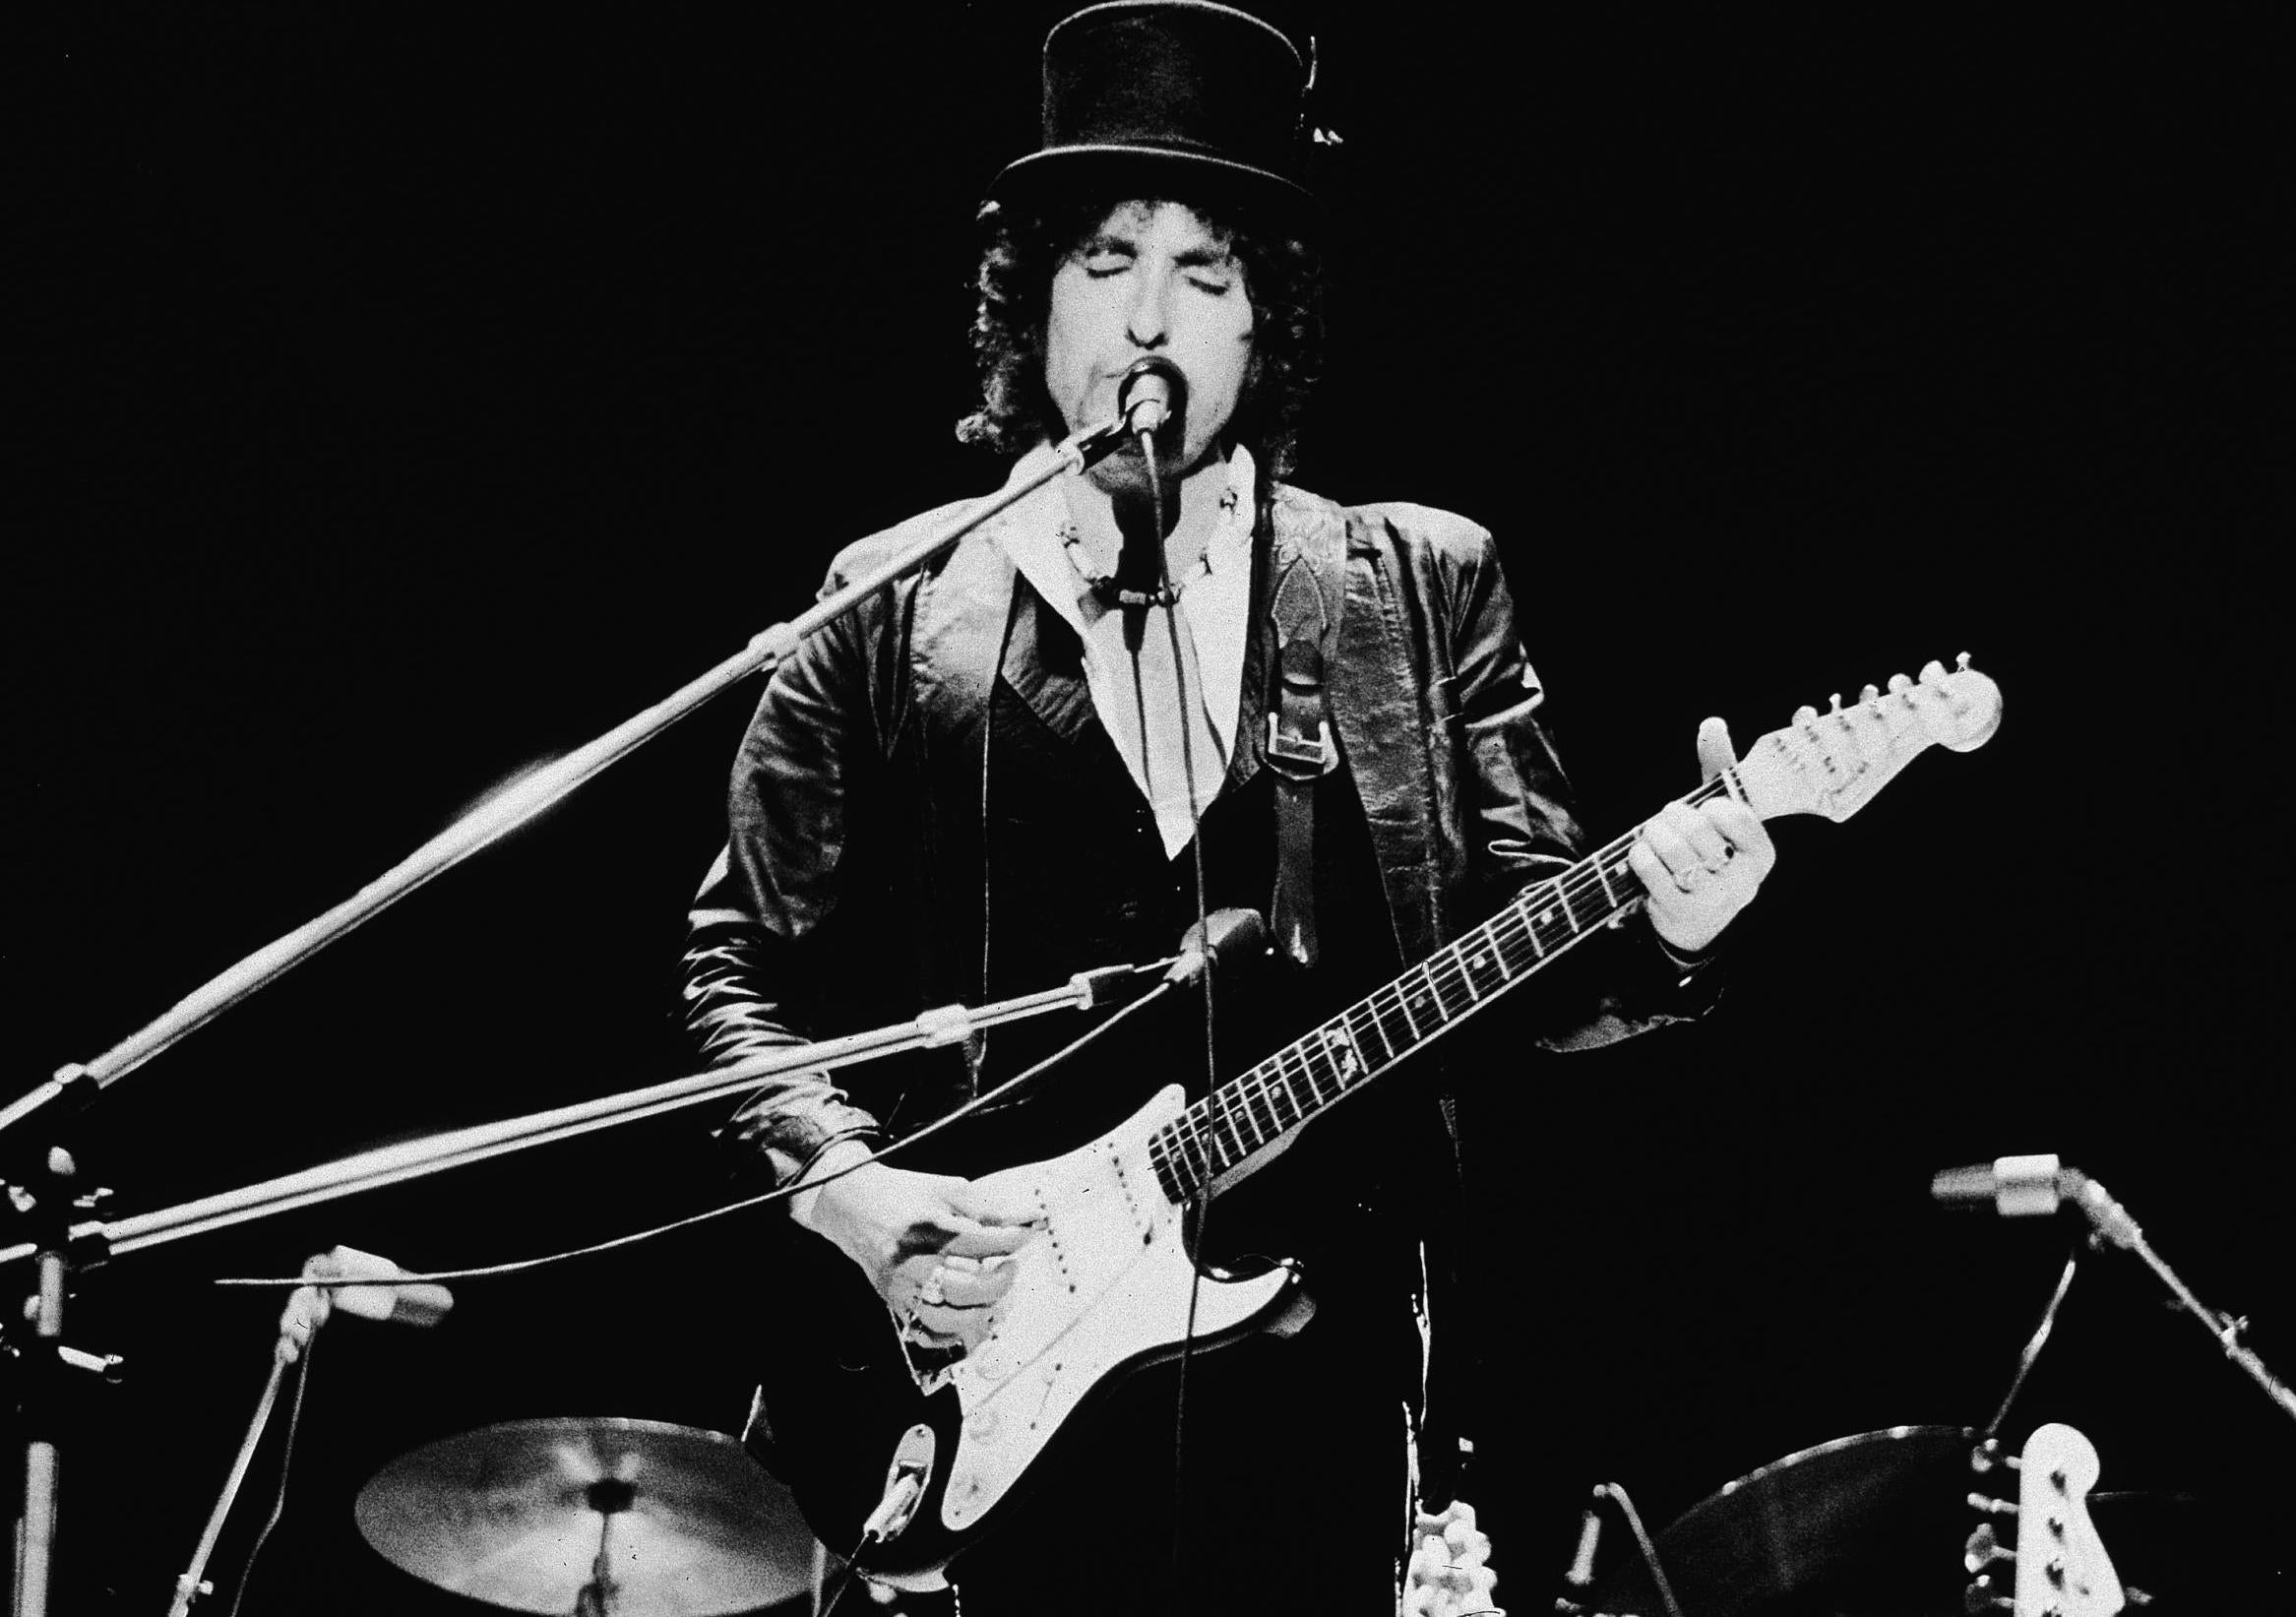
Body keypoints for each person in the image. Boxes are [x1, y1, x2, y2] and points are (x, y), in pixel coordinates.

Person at [679, 4, 1774, 1611]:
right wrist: (852, 1194)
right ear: (1032, 308)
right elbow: (735, 972)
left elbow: (1539, 965)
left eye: (1205, 275)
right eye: (1108, 260)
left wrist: (1677, 927)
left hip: (1305, 1400)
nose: (1150, 320)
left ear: (1263, 327)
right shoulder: (895, 601)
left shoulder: (1408, 584)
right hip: (968, 1375)